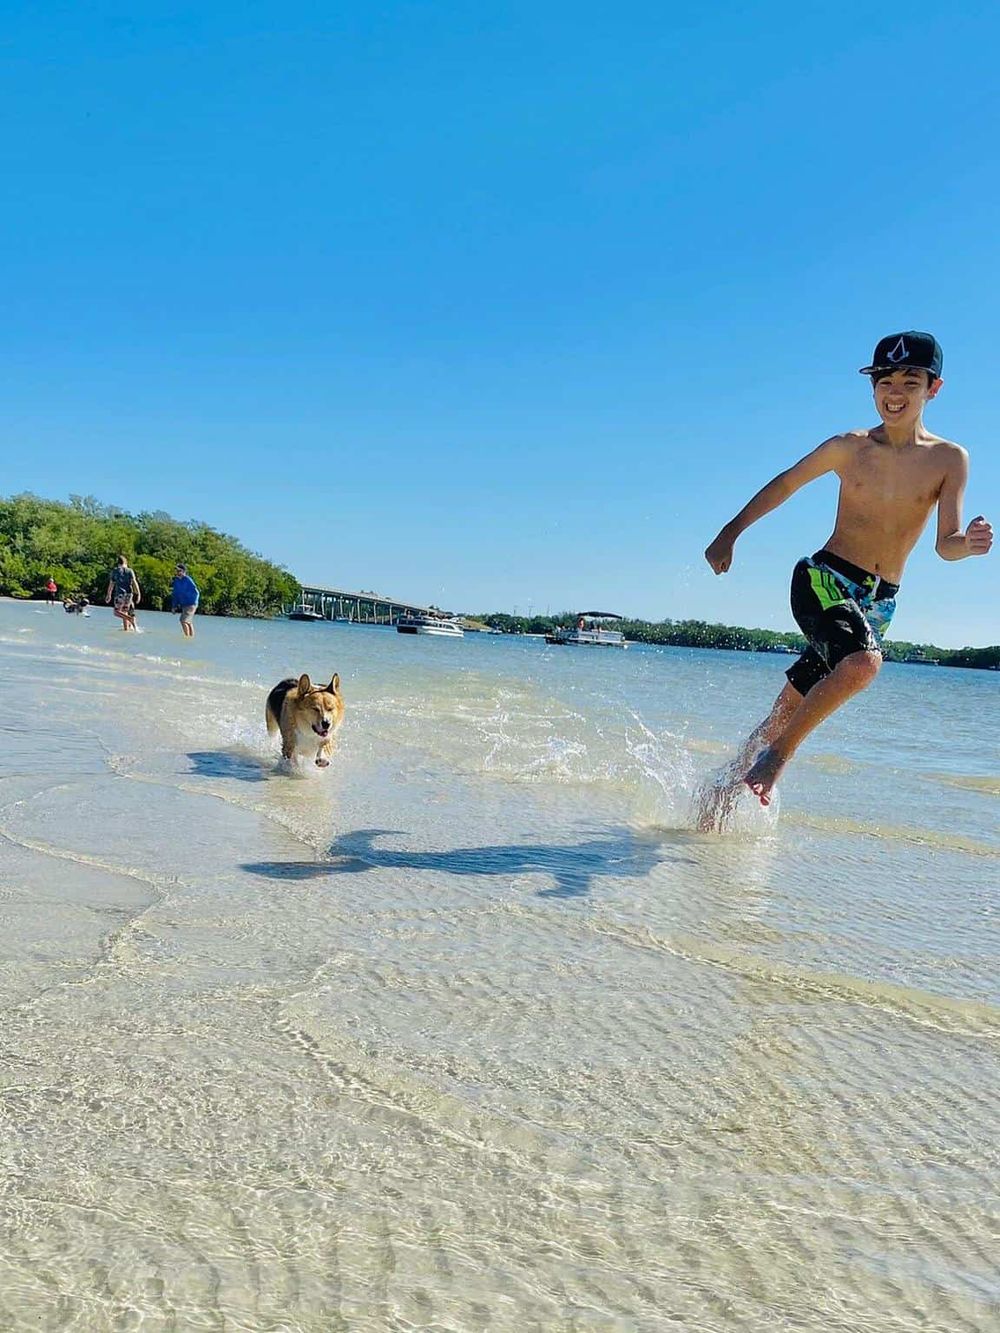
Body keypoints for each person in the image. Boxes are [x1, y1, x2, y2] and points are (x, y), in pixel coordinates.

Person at [703, 331, 992, 816]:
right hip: (824, 580)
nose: (894, 392)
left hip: (879, 603)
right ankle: (776, 760)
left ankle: (711, 807)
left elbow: (946, 544)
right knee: (863, 664)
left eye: (909, 381)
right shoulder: (849, 447)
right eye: (884, 380)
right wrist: (730, 532)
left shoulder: (948, 459)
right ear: (872, 386)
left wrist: (969, 545)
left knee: (785, 712)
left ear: (933, 389)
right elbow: (786, 485)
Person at [105, 555, 141, 631]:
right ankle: (126, 630)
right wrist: (138, 594)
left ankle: (130, 619)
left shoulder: (115, 571)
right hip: (129, 594)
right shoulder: (130, 571)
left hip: (120, 594)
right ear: (125, 562)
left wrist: (108, 595)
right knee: (125, 612)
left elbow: (111, 584)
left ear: (118, 563)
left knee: (116, 612)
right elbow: (135, 583)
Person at [171, 563, 200, 638]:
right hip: (184, 604)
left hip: (191, 604)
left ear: (184, 571)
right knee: (188, 622)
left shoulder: (188, 580)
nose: (177, 572)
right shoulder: (176, 581)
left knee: (183, 620)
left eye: (179, 571)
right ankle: (191, 637)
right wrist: (174, 606)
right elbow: (175, 594)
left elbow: (196, 592)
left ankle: (186, 638)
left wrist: (193, 603)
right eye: (176, 571)